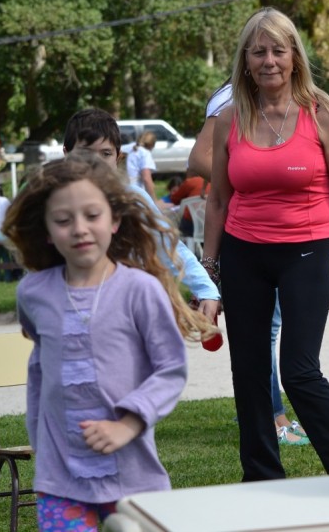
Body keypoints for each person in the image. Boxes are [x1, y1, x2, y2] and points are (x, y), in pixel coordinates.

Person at [2, 156, 214, 530]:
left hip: (134, 476)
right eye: (64, 220)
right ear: (47, 230)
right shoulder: (33, 294)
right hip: (60, 478)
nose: (80, 229)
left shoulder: (140, 290)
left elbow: (170, 368)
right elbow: (41, 363)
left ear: (114, 220)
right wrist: (39, 434)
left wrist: (128, 424)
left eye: (92, 215)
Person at [202, 7, 329, 480]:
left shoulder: (325, 114)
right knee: (249, 374)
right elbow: (217, 201)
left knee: (298, 371)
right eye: (259, 51)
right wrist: (208, 273)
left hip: (306, 252)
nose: (269, 60)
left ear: (295, 56)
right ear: (245, 61)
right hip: (242, 253)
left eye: (278, 50)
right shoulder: (229, 118)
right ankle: (261, 480)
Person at [189, 79, 307, 446]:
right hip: (246, 232)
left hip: (281, 234)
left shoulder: (284, 97)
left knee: (267, 334)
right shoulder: (231, 97)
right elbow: (198, 159)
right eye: (260, 51)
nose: (270, 61)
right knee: (263, 334)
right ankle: (273, 418)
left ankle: (264, 416)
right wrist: (248, 178)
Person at [60, 108, 220, 321]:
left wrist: (205, 289)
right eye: (85, 153)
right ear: (66, 154)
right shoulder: (53, 202)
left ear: (118, 157)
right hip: (70, 311)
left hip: (125, 313)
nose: (95, 162)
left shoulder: (133, 199)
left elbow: (168, 247)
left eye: (105, 154)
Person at [124, 132, 158, 201]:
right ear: (152, 145)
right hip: (135, 193)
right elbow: (146, 179)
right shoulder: (145, 153)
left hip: (119, 189)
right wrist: (154, 201)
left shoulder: (127, 148)